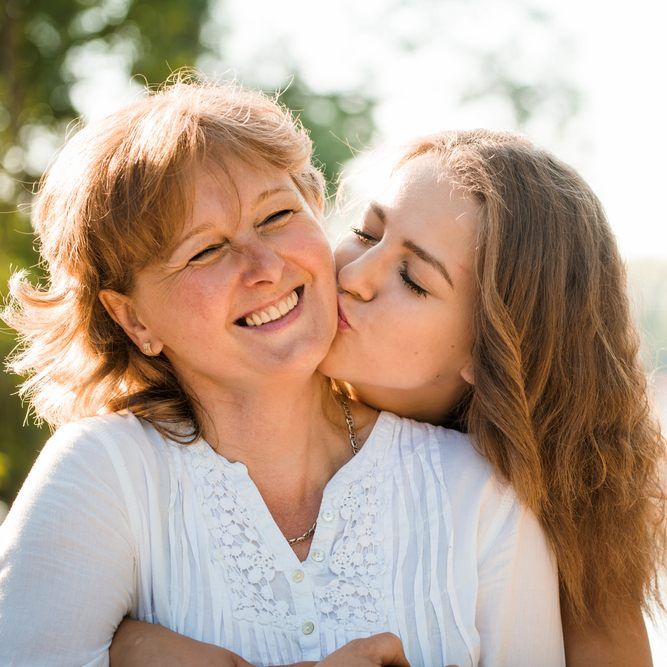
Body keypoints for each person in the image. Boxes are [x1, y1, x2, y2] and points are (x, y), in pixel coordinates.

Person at [0, 79, 563, 666]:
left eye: (276, 215)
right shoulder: (104, 472)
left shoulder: (478, 491)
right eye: (204, 250)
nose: (265, 266)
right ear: (134, 318)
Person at [110, 129, 665, 666]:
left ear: (492, 349)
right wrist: (121, 645)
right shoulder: (174, 435)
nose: (354, 275)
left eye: (414, 279)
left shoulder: (551, 528)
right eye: (367, 233)